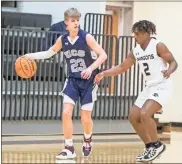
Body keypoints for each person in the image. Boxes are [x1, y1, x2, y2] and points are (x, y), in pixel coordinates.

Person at [24, 8, 107, 159]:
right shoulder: (63, 39)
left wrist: (90, 68)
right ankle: (69, 147)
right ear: (66, 23)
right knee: (66, 112)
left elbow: (103, 55)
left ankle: (87, 138)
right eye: (73, 21)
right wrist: (29, 56)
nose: (76, 23)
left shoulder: (86, 37)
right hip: (72, 80)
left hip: (89, 81)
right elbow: (49, 53)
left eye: (77, 20)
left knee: (85, 118)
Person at [94, 20, 178, 162]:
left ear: (146, 33)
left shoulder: (158, 45)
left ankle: (158, 145)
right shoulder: (135, 51)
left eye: (137, 34)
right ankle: (150, 147)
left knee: (145, 113)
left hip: (162, 85)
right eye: (134, 34)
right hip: (149, 87)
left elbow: (174, 62)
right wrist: (104, 73)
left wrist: (169, 71)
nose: (135, 36)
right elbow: (121, 67)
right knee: (134, 116)